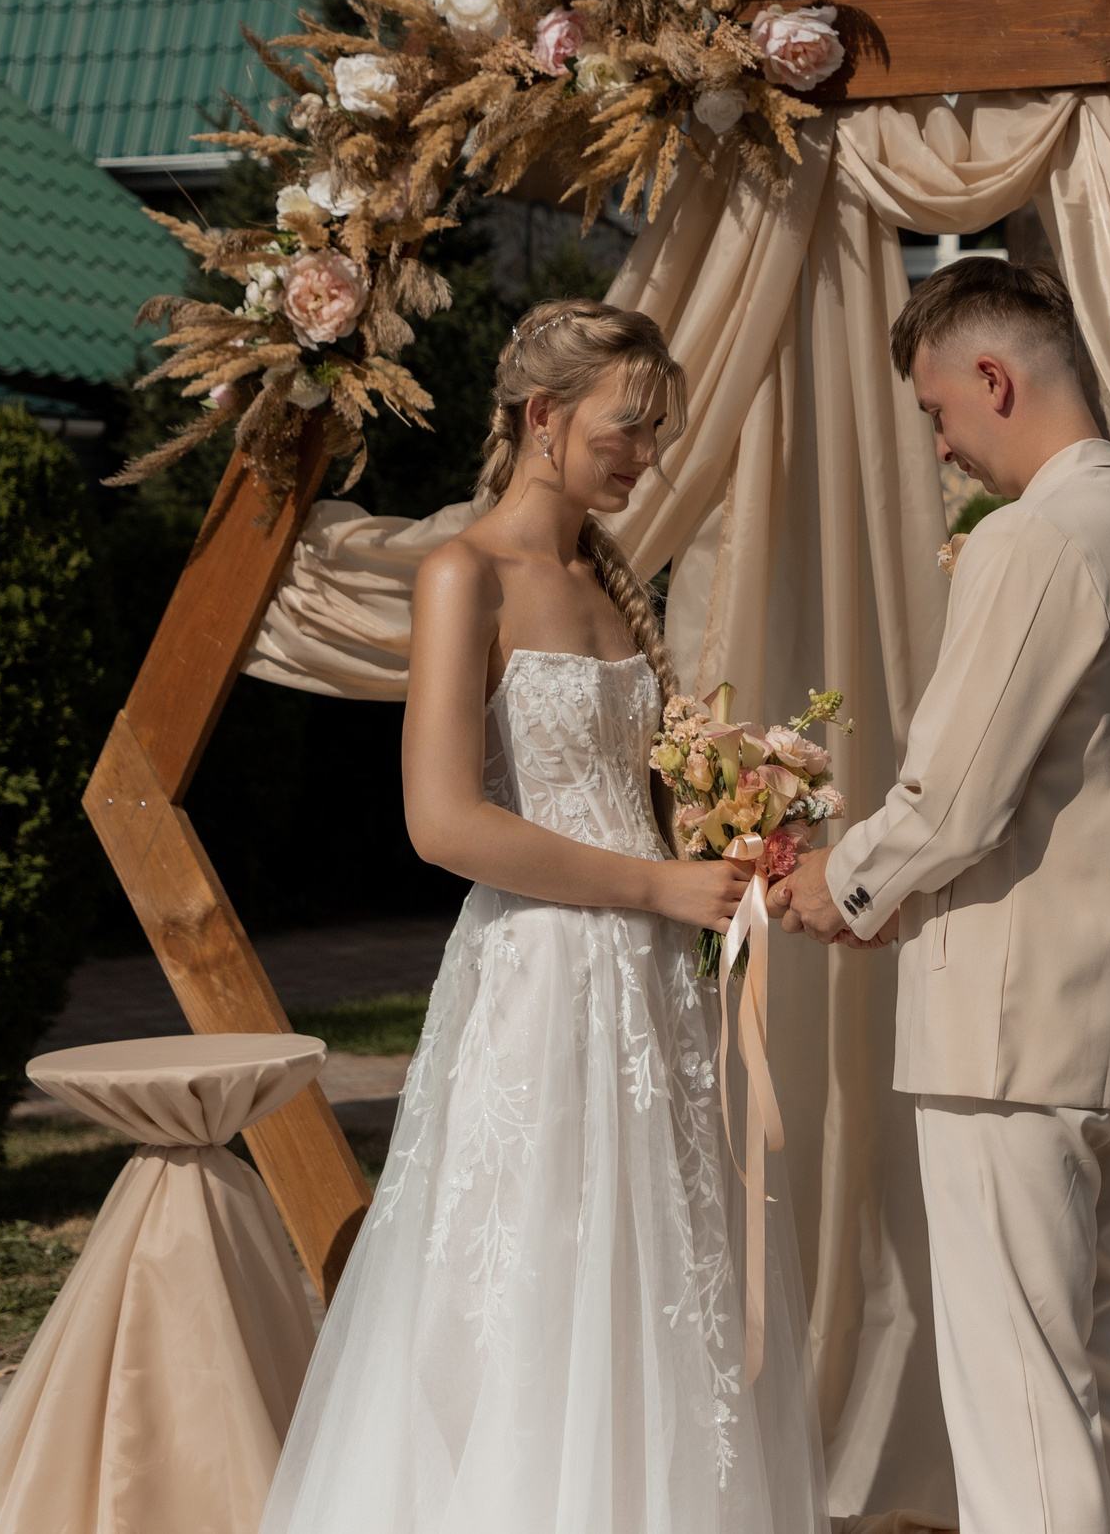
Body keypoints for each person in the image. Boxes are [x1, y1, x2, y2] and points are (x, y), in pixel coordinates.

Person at [261, 301, 827, 1534]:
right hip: (542, 979)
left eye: (656, 435)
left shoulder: (613, 581)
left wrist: (740, 822)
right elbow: (444, 824)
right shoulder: (465, 573)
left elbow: (633, 794)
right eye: (629, 430)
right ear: (543, 417)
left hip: (649, 986)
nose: (643, 457)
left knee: (657, 1277)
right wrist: (658, 886)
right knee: (537, 1271)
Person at [770, 259, 1110, 1534]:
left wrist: (839, 881)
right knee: (1103, 1360)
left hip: (1013, 1028)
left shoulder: (1035, 535)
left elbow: (955, 794)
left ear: (994, 378)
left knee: (1019, 1391)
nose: (940, 445)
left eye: (937, 413)